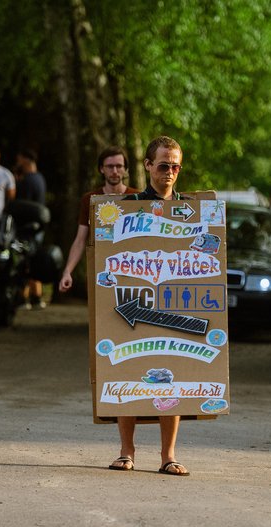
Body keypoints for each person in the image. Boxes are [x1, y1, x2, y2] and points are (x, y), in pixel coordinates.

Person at [95, 137, 190, 476]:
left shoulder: (192, 210)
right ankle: (127, 450)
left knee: (171, 376)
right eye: (163, 165)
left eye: (176, 166)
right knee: (129, 372)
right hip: (130, 305)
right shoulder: (127, 205)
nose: (170, 172)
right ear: (148, 166)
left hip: (174, 306)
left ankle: (168, 454)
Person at [58, 145, 139, 294]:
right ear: (101, 169)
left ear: (125, 169)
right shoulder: (90, 199)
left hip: (134, 267)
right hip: (101, 267)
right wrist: (67, 271)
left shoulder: (138, 198)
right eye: (110, 166)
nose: (114, 171)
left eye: (119, 166)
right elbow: (80, 239)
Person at [14, 148, 48, 309]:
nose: (18, 162)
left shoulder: (27, 181)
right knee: (34, 259)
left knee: (25, 261)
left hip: (27, 226)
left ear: (26, 160)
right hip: (38, 225)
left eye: (20, 159)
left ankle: (24, 297)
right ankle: (37, 296)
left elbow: (20, 204)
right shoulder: (40, 178)